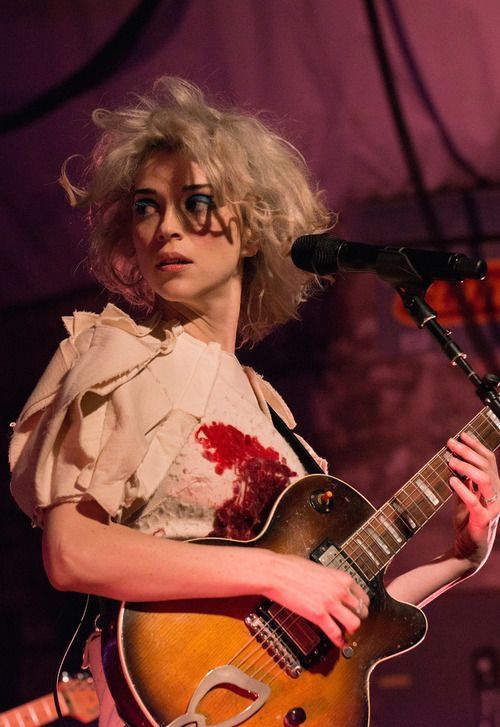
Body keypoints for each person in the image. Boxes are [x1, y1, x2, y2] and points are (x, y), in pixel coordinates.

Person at [9, 77, 500, 727]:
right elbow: (72, 553)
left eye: (196, 202)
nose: (167, 227)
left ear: (250, 228)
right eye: (147, 207)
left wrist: (460, 558)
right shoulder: (120, 356)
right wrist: (276, 575)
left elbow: (340, 620)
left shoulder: (278, 421)